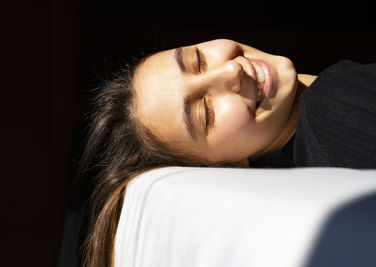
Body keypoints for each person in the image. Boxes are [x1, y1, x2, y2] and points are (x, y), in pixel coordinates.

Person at [76, 39, 376, 267]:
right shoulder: (333, 112)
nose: (231, 71)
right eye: (205, 112)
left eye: (198, 60)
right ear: (227, 166)